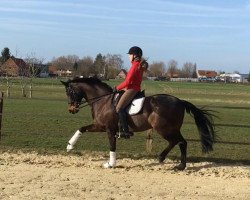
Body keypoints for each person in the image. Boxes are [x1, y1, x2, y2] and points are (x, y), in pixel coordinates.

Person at [114, 46, 148, 139]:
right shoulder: (138, 65)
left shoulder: (135, 65)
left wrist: (117, 88)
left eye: (130, 55)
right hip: (133, 88)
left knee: (119, 108)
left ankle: (125, 131)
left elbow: (128, 82)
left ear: (134, 55)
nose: (128, 56)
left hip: (132, 89)